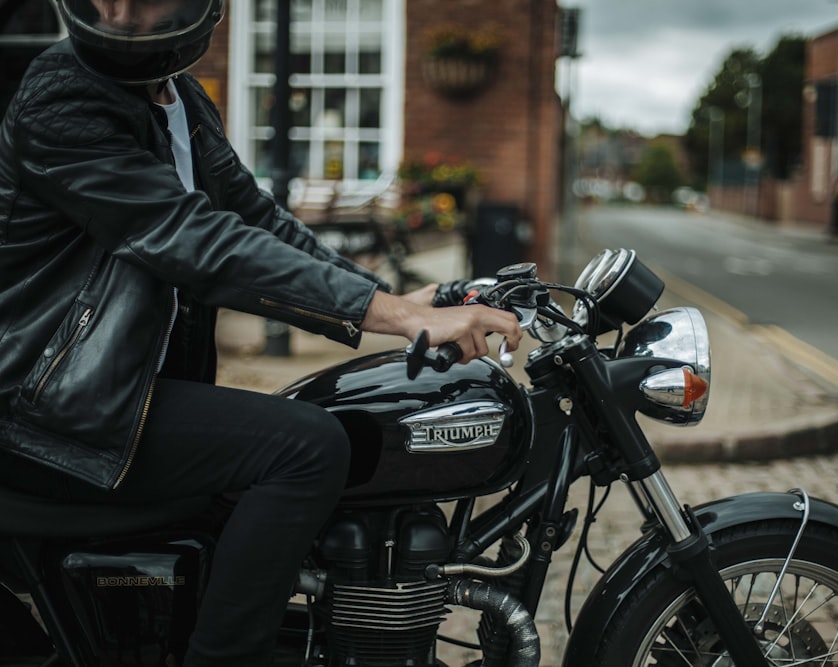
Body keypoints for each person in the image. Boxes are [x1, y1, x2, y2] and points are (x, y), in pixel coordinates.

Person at [0, 1, 521, 665]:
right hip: (39, 407)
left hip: (108, 393)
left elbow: (257, 220)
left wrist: (391, 301)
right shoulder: (63, 96)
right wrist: (399, 317)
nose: (118, 9)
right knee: (306, 447)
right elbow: (195, 239)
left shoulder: (179, 100)